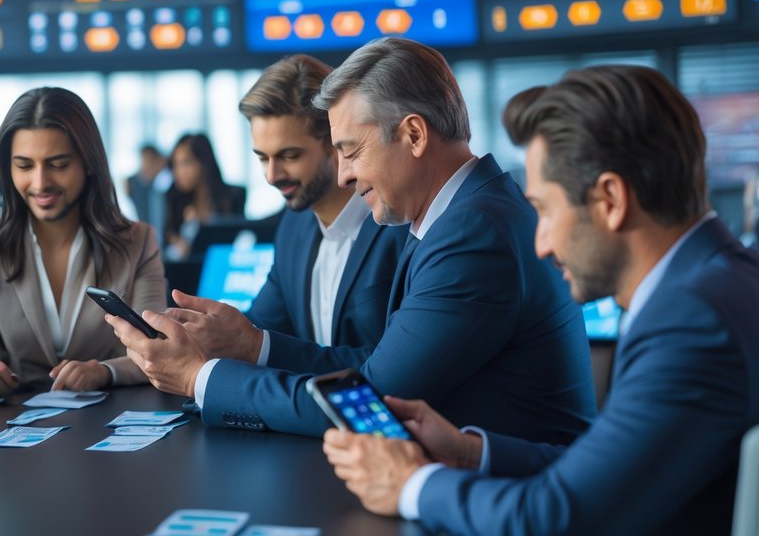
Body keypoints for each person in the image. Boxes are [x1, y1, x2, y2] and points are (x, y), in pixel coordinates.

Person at [324, 65, 759, 536]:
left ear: (611, 199)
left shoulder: (690, 322)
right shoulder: (721, 281)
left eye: (546, 211)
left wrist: (410, 483)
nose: (543, 244)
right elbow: (609, 468)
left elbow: (556, 515)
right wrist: (470, 451)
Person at [108, 38, 595, 445]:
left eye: (351, 151)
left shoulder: (474, 234)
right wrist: (249, 344)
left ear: (413, 135)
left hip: (515, 500)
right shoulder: (460, 217)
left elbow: (371, 396)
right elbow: (373, 365)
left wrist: (199, 379)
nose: (343, 175)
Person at [164, 55, 410, 374]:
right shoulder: (295, 226)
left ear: (335, 142)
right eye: (262, 158)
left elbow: (392, 368)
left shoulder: (398, 221)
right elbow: (261, 327)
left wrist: (252, 345)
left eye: (289, 155)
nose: (272, 175)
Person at [0, 87, 166, 398]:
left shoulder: (137, 241)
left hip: (106, 420)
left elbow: (157, 351)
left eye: (59, 164)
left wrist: (104, 372)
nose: (40, 183)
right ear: (6, 168)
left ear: (88, 164)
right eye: (24, 166)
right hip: (12, 425)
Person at [164, 134, 246, 260]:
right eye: (175, 164)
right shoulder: (174, 197)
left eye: (186, 163)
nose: (178, 172)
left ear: (203, 161)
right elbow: (168, 237)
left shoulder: (233, 196)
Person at [124, 144, 168, 235]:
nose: (145, 167)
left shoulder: (159, 186)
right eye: (144, 161)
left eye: (149, 162)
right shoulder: (131, 183)